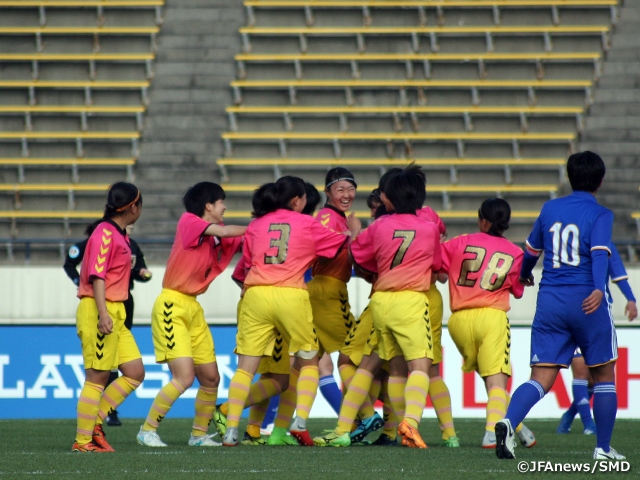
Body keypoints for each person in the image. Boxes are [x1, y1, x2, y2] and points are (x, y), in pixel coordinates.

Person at [495, 151, 625, 461]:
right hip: (586, 301)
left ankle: (509, 422)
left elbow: (530, 251)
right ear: (601, 180)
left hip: (550, 300)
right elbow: (598, 253)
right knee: (604, 377)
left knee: (540, 377)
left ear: (569, 177)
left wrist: (525, 276)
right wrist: (596, 287)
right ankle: (603, 449)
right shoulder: (601, 214)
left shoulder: (550, 208)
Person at [221, 175, 360, 447]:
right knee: (309, 360)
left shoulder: (256, 224)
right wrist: (353, 231)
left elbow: (247, 265)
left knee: (246, 369)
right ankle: (300, 421)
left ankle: (230, 430)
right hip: (291, 294)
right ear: (297, 200)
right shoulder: (307, 222)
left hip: (255, 295)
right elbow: (336, 248)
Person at [314, 164, 441, 449]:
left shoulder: (379, 225)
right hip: (411, 300)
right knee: (419, 366)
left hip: (381, 301)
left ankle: (343, 429)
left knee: (375, 366)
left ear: (391, 199)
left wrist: (362, 240)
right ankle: (409, 424)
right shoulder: (429, 228)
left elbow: (360, 259)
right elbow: (437, 267)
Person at [137, 182, 246, 448]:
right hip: (171, 305)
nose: (225, 207)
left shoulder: (217, 235)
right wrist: (259, 226)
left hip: (193, 307)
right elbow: (227, 231)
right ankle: (147, 430)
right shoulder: (189, 221)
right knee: (184, 377)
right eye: (221, 202)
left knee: (211, 378)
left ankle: (198, 435)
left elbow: (243, 238)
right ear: (208, 205)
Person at [440, 198, 534, 449]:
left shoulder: (459, 242)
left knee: (488, 379)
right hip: (491, 316)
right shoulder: (516, 253)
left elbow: (436, 265)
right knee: (496, 381)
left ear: (483, 220)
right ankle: (493, 433)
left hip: (459, 320)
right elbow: (517, 289)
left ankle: (519, 427)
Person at [72, 182, 145, 452]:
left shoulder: (119, 234)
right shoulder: (105, 232)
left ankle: (95, 424)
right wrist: (103, 313)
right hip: (98, 308)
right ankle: (83, 441)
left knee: (135, 372)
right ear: (133, 207)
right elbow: (97, 275)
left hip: (116, 310)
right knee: (97, 377)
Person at [64, 224, 152, 426]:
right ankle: (87, 434)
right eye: (128, 226)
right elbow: (72, 264)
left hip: (123, 301)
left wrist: (143, 274)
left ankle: (98, 420)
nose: (131, 229)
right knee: (101, 370)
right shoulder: (97, 241)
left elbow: (138, 270)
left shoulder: (131, 245)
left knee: (129, 368)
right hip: (101, 302)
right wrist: (79, 280)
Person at [557, 245, 637, 435]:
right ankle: (588, 424)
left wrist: (631, 299)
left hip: (596, 315)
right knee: (581, 371)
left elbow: (617, 271)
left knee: (595, 380)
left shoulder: (603, 244)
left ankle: (569, 415)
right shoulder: (568, 241)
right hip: (570, 311)